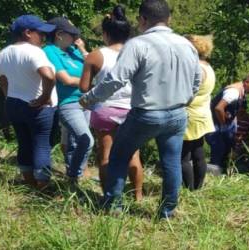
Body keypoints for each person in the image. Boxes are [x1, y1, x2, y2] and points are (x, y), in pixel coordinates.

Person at [80, 0, 201, 218]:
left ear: (142, 19)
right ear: (169, 19)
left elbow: (115, 80)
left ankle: (113, 208)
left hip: (146, 114)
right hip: (177, 114)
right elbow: (196, 80)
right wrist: (185, 100)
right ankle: (167, 212)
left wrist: (89, 99)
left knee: (118, 157)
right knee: (171, 162)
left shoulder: (137, 44)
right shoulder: (187, 45)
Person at [79, 6, 143, 201]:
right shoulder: (139, 53)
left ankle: (109, 197)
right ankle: (138, 196)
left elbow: (83, 87)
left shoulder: (96, 55)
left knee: (106, 154)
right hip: (133, 109)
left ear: (106, 34)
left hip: (104, 109)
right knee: (133, 156)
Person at [0, 15, 57, 189]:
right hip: (36, 106)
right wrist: (45, 97)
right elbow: (49, 76)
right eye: (40, 33)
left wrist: (9, 97)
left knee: (24, 142)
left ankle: (29, 182)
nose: (43, 37)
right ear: (28, 33)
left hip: (14, 104)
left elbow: (3, 82)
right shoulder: (34, 51)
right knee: (41, 144)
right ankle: (43, 187)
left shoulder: (3, 53)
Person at [43, 17, 93, 183]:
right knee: (87, 140)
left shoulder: (74, 50)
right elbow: (66, 79)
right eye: (72, 35)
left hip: (86, 101)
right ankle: (74, 175)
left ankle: (73, 178)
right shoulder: (50, 51)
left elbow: (95, 68)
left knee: (75, 142)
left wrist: (83, 50)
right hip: (69, 103)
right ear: (59, 34)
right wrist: (92, 84)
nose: (75, 38)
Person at [180, 34, 216, 191]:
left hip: (190, 115)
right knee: (198, 153)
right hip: (202, 114)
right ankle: (197, 188)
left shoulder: (196, 69)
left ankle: (189, 188)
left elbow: (186, 93)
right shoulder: (208, 67)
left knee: (183, 157)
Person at [206, 74, 249, 174]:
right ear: (247, 82)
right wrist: (223, 125)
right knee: (219, 149)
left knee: (225, 150)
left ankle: (221, 173)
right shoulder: (234, 92)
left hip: (221, 124)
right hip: (216, 125)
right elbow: (219, 108)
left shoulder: (239, 92)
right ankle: (214, 174)